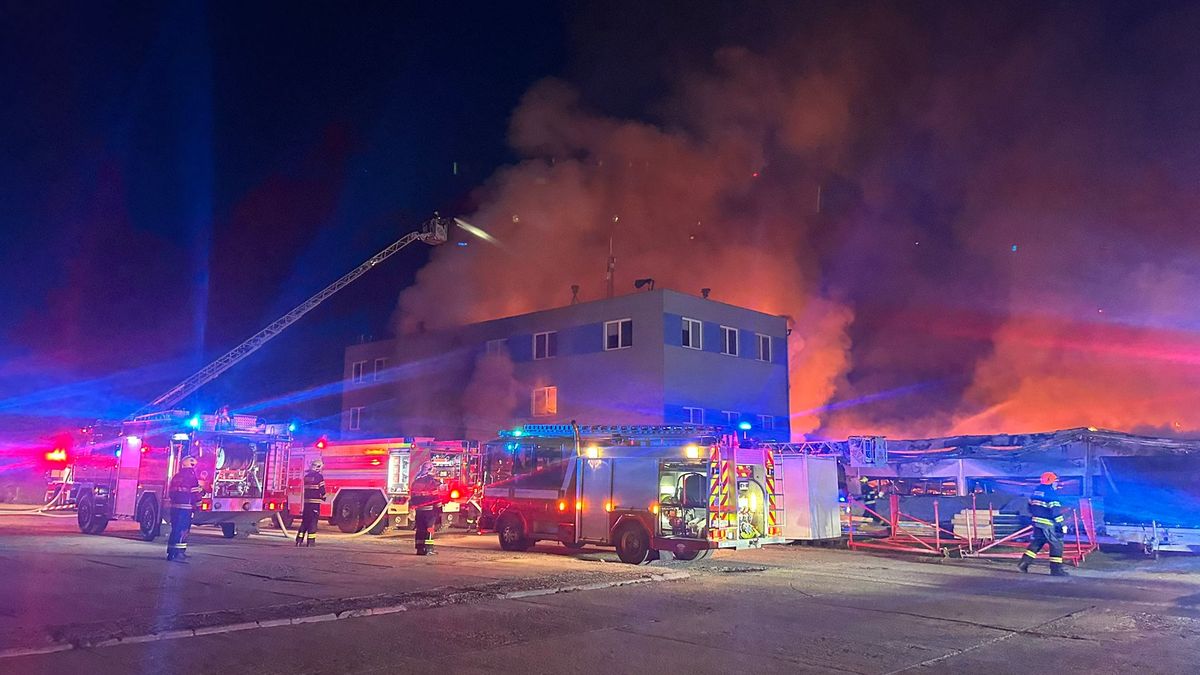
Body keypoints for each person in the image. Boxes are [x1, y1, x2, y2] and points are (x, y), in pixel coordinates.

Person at [1019, 471, 1069, 576]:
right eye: (1056, 482)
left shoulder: (1036, 491)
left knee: (1038, 542)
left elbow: (1029, 507)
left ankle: (1024, 563)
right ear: (1051, 482)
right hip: (1048, 524)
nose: (1057, 484)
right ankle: (1056, 570)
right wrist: (1061, 524)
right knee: (1057, 544)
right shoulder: (1051, 493)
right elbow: (1055, 511)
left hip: (1037, 522)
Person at [166, 454, 203, 562]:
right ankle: (179, 553)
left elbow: (171, 492)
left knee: (175, 529)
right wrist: (198, 505)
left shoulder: (176, 476)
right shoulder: (191, 477)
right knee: (183, 530)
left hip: (175, 508)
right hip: (185, 508)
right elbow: (195, 493)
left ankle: (171, 553)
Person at [410, 462, 442, 556]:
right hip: (429, 511)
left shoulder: (416, 480)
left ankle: (420, 549)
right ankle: (428, 549)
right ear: (429, 470)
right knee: (430, 529)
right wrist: (439, 508)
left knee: (420, 529)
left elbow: (413, 496)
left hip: (419, 510)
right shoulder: (430, 481)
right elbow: (435, 495)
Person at [296, 459, 326, 546]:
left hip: (306, 503)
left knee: (305, 521)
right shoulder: (319, 477)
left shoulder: (306, 477)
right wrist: (324, 496)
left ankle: (299, 540)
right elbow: (322, 489)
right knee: (313, 522)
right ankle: (310, 542)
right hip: (315, 504)